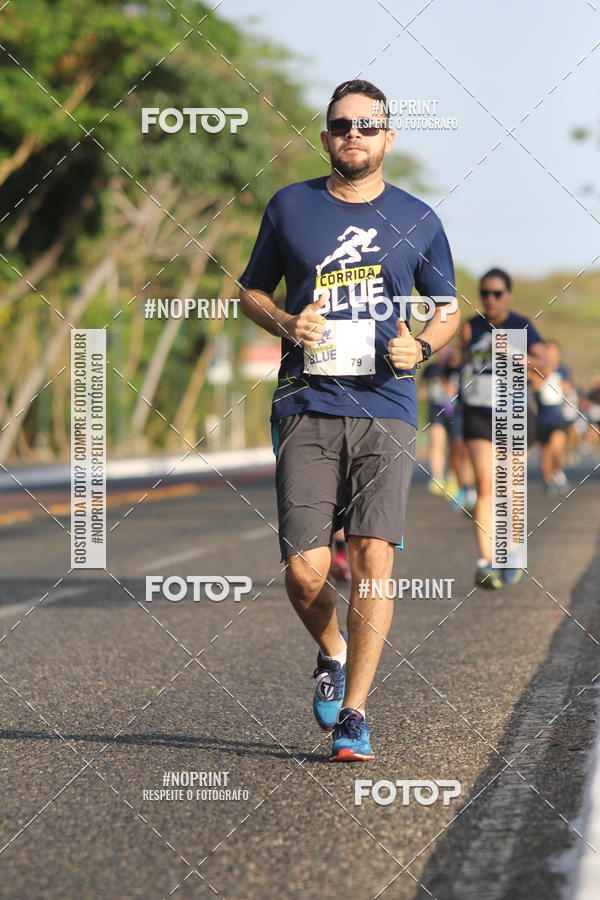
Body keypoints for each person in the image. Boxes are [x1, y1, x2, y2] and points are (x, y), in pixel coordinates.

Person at [239, 79, 460, 760]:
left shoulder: (419, 218)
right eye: (342, 125)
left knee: (371, 560)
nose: (354, 136)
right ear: (327, 135)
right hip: (305, 399)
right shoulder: (290, 207)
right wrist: (283, 319)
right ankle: (331, 648)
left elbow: (448, 308)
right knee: (306, 571)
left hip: (387, 405)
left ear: (388, 137)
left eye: (368, 126)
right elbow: (250, 291)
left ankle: (356, 714)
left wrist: (420, 345)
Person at [460, 268, 547, 590]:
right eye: (485, 293)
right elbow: (456, 362)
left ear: (507, 295)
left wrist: (517, 355)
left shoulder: (522, 325)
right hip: (478, 411)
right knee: (486, 484)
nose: (490, 299)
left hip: (513, 412)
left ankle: (510, 550)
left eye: (497, 293)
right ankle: (486, 561)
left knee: (509, 486)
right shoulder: (471, 326)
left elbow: (544, 365)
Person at [529, 341, 572, 493]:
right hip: (542, 417)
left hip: (558, 416)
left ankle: (559, 473)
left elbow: (568, 388)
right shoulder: (537, 371)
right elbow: (534, 387)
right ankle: (548, 480)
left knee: (557, 445)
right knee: (545, 451)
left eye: (554, 353)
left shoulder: (563, 371)